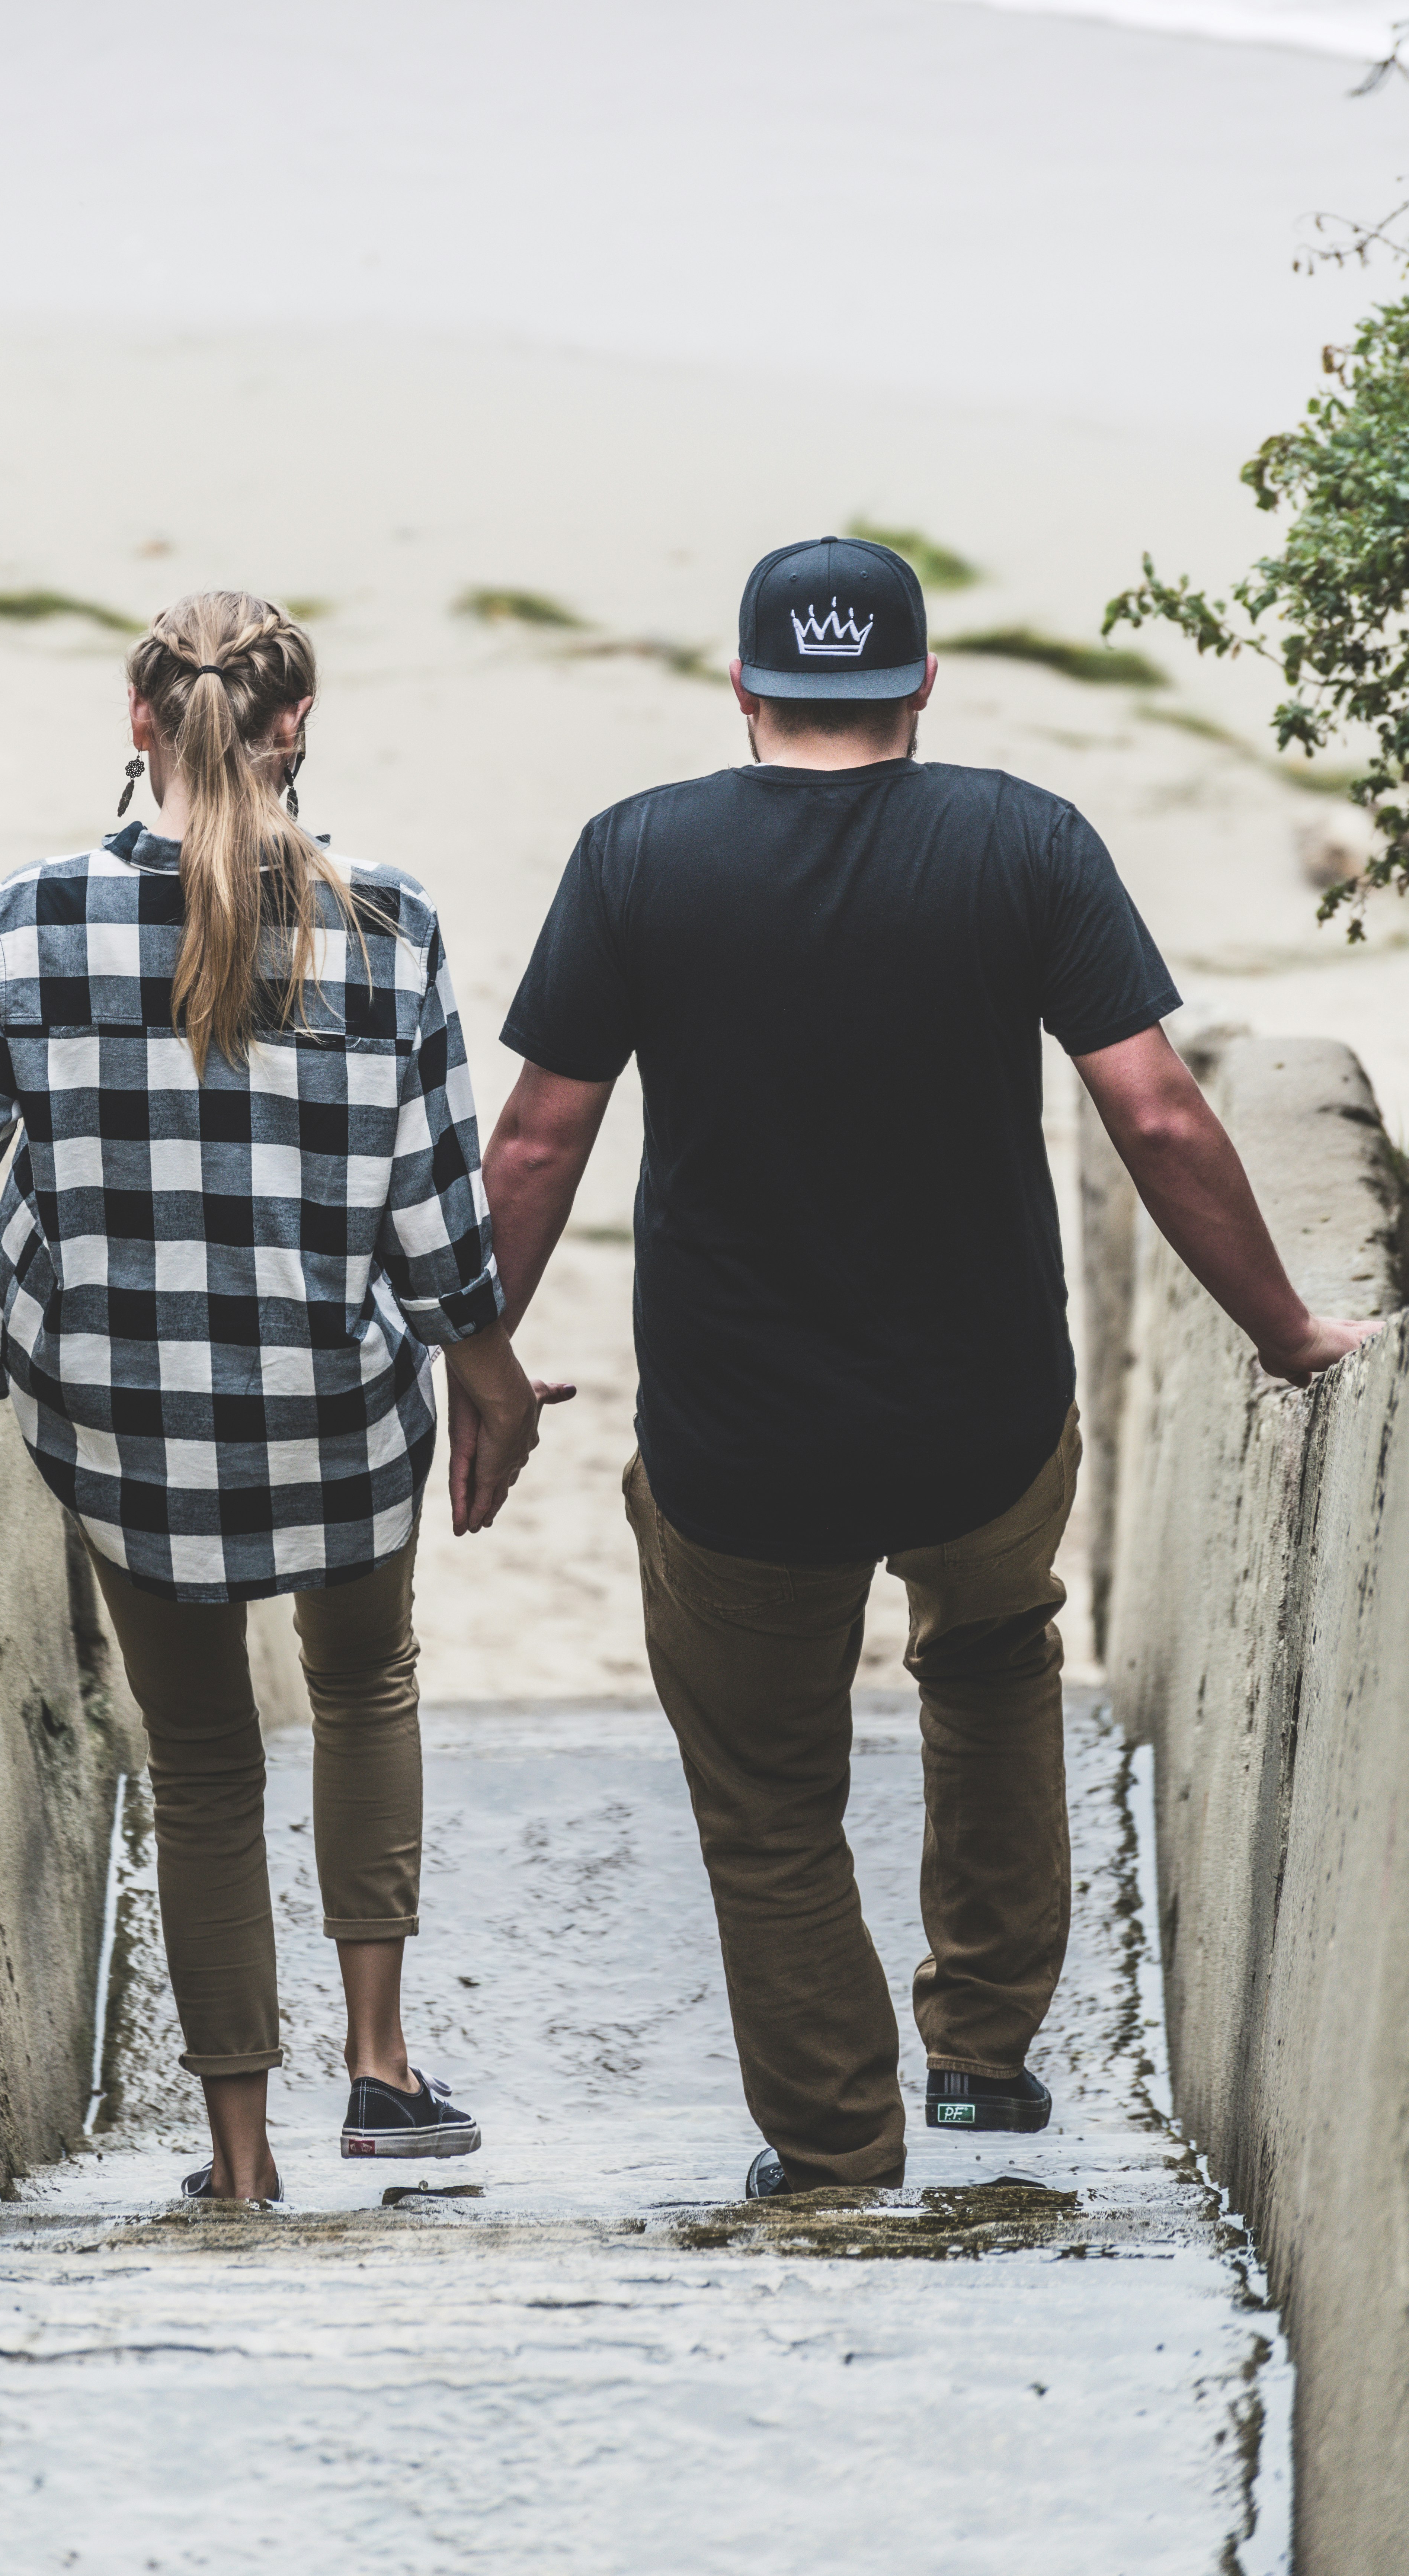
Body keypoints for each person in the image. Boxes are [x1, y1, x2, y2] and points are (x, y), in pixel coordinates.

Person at [466, 532, 1378, 2200]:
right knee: (990, 1667)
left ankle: (833, 2149)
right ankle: (982, 2052)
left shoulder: (636, 857)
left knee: (769, 1796)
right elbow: (1160, 1110)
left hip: (740, 1446)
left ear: (743, 687)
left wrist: (485, 1356)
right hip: (982, 1416)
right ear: (921, 684)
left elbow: (535, 1143)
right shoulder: (1024, 842)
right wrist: (1290, 1329)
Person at [0, 589, 569, 2206]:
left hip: (128, 1434)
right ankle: (383, 2066)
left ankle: (241, 2157)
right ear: (299, 731)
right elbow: (434, 1227)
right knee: (366, 1686)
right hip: (337, 1418)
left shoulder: (32, 918)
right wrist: (487, 1368)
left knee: (202, 1762)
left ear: (138, 726)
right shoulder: (390, 921)